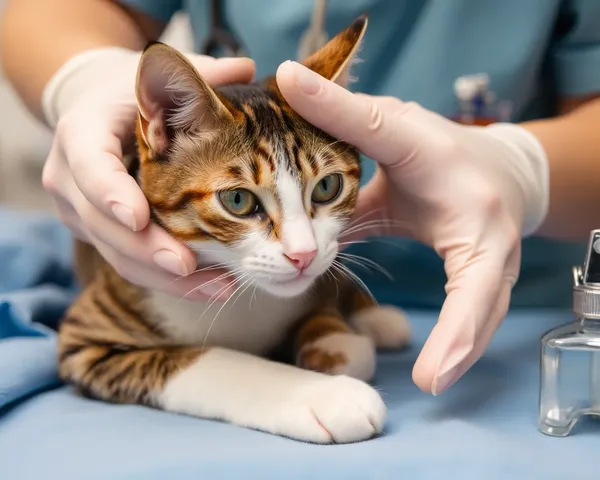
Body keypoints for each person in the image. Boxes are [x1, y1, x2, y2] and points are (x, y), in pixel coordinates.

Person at [1, 0, 599, 396]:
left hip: (536, 307)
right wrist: (80, 75)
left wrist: (525, 169)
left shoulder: (299, 245)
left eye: (328, 190)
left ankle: (329, 304)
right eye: (241, 202)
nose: (301, 246)